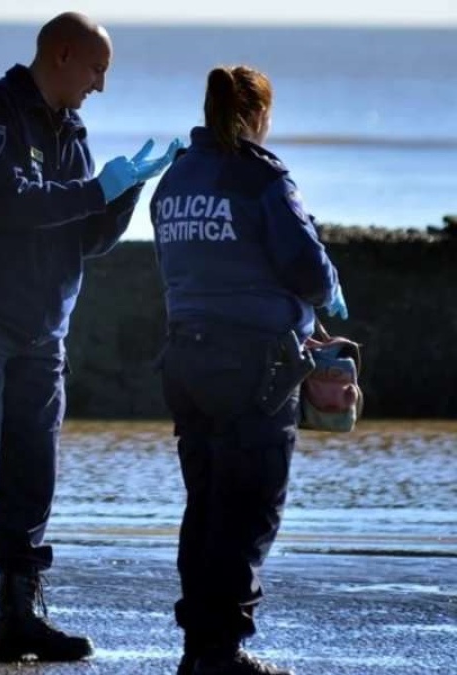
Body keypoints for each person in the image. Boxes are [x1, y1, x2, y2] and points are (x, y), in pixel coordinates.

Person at [0, 11, 182, 668]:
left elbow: (84, 236)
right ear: (63, 55)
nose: (101, 85)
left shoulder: (75, 133)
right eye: (98, 69)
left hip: (43, 328)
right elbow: (11, 205)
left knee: (34, 471)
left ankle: (21, 615)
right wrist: (98, 188)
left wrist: (123, 194)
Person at [148, 65, 348, 675]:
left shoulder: (176, 177)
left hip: (186, 356)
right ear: (258, 115)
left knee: (205, 503)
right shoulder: (264, 178)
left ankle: (197, 647)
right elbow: (306, 267)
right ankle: (223, 650)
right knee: (251, 504)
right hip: (254, 363)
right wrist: (327, 293)